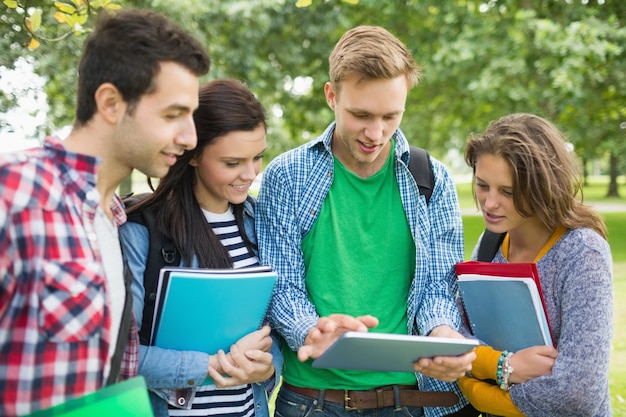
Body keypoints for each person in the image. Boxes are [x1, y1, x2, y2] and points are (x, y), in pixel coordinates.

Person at [256, 25, 478, 417]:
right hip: (312, 402)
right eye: (360, 115)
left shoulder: (432, 180)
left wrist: (442, 334)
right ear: (331, 96)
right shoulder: (287, 176)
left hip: (407, 400)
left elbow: (437, 289)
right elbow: (280, 285)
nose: (375, 134)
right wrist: (311, 330)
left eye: (391, 116)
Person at [0, 9, 210, 416]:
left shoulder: (113, 216)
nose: (190, 138)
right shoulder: (14, 193)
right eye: (173, 115)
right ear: (111, 103)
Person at [119, 78, 282, 417]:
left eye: (257, 158)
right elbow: (121, 357)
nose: (250, 174)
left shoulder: (260, 222)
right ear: (192, 154)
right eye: (232, 162)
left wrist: (266, 368)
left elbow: (273, 331)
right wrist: (209, 366)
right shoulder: (142, 232)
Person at [458, 113, 613, 416]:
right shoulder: (490, 243)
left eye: (508, 192)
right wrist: (504, 366)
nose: (489, 203)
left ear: (542, 188)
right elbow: (457, 338)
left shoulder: (581, 253)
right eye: (482, 185)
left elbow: (577, 394)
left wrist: (477, 392)